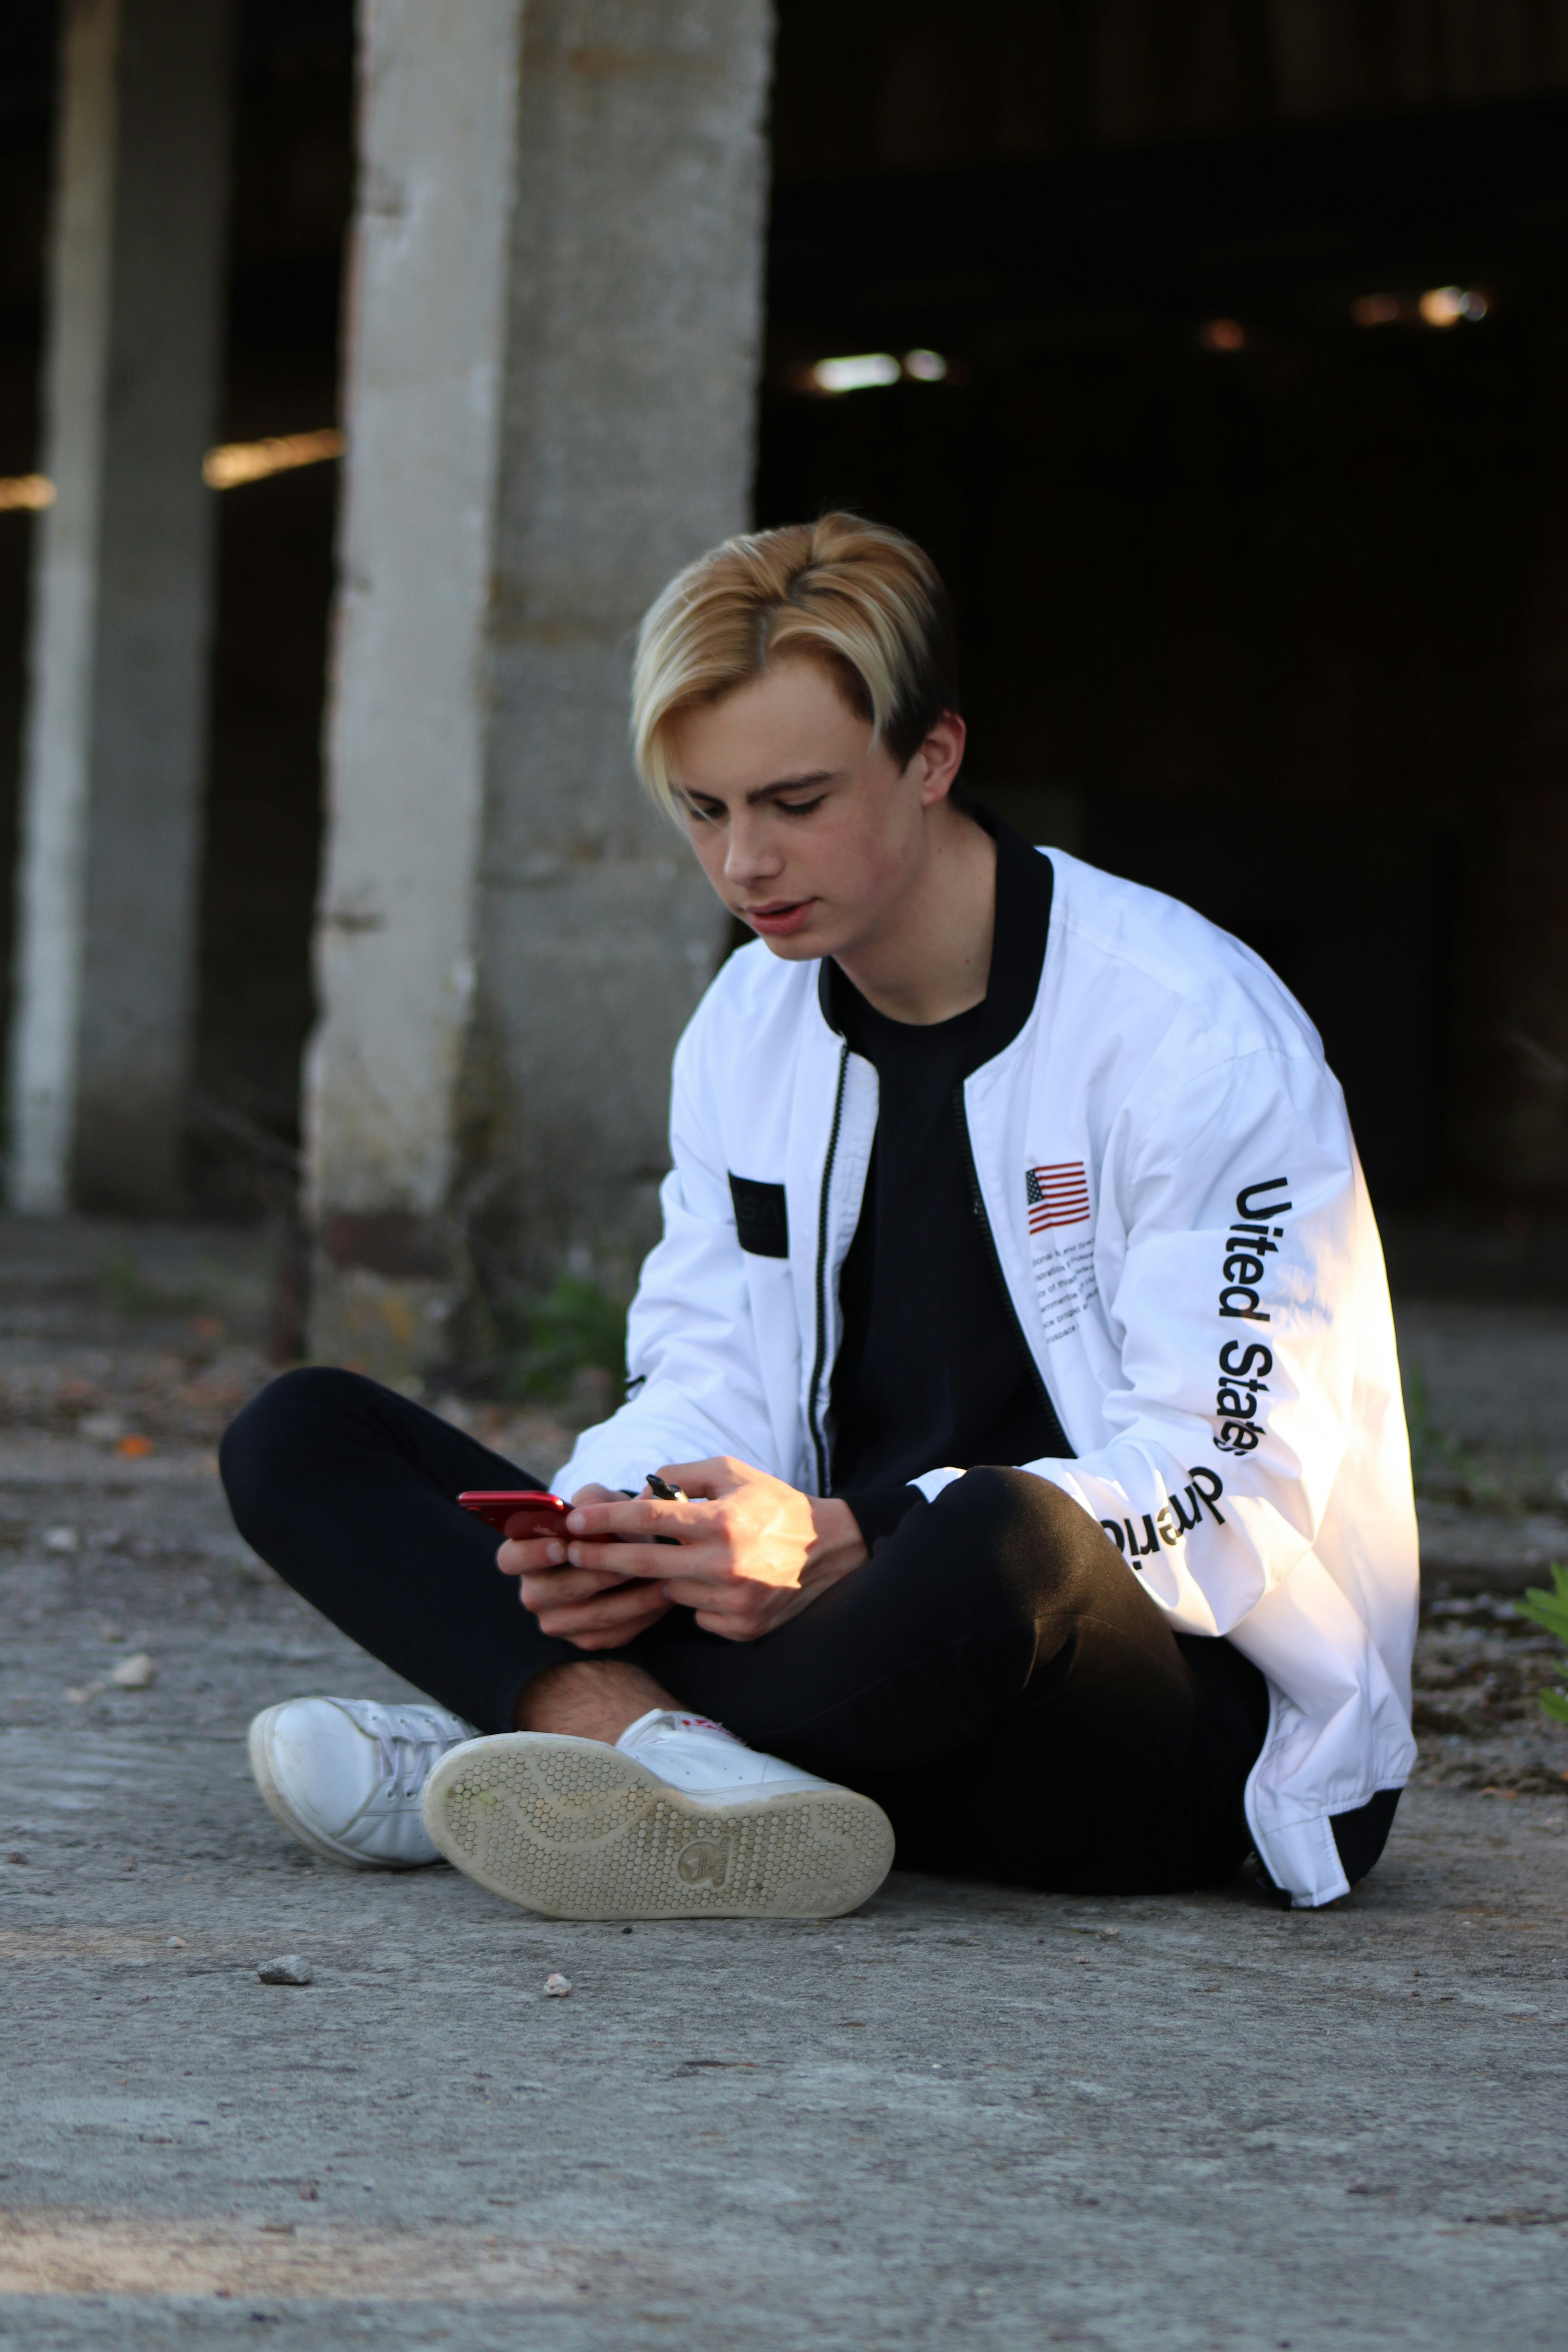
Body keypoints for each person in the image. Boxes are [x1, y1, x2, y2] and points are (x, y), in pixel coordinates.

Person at [222, 513, 1418, 1922]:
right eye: (704, 810)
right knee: (300, 1434)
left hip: (1144, 1708)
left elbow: (1235, 1499)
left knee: (1004, 1537)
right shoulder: (750, 1020)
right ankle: (661, 1759)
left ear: (932, 758)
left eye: (795, 802)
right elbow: (705, 1364)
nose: (744, 865)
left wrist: (862, 1530)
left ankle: (539, 1743)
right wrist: (618, 1528)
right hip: (831, 1642)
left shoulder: (1188, 1036)